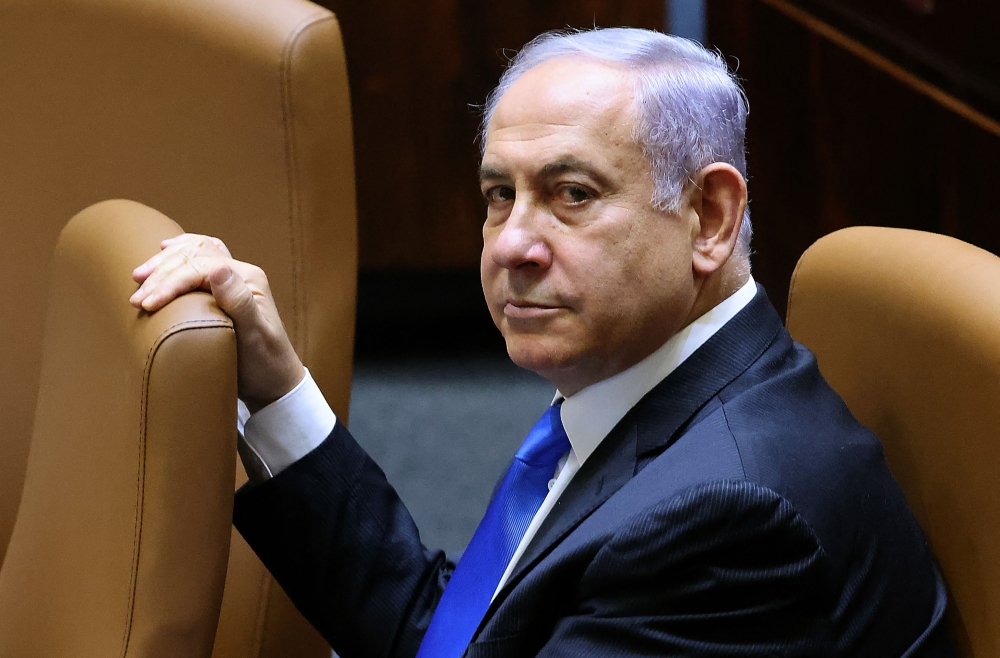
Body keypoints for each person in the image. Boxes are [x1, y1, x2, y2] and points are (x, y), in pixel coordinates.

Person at [130, 28, 954, 658]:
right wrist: (276, 390)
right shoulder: (650, 393)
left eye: (571, 194)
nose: (510, 244)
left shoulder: (727, 520)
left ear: (709, 218)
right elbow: (458, 635)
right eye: (499, 195)